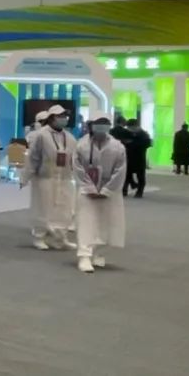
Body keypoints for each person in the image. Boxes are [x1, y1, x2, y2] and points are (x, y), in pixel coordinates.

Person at [73, 113, 127, 273]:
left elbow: (120, 170)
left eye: (105, 122)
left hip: (109, 191)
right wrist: (89, 188)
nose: (102, 126)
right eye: (99, 122)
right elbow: (77, 168)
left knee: (107, 222)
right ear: (91, 125)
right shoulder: (81, 145)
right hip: (87, 190)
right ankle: (84, 255)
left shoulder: (117, 147)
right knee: (86, 222)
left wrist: (106, 190)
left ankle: (99, 253)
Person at [23, 104, 77, 250]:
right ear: (51, 118)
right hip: (45, 177)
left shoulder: (70, 137)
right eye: (60, 116)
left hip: (64, 178)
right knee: (43, 207)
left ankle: (60, 238)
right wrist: (26, 176)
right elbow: (33, 157)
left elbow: (74, 159)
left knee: (63, 208)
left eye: (65, 116)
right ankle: (39, 236)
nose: (63, 119)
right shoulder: (41, 135)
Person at [119, 118, 152, 198]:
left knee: (140, 176)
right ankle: (124, 190)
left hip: (139, 158)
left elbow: (147, 143)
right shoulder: (126, 132)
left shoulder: (143, 134)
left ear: (137, 126)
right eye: (129, 127)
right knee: (126, 175)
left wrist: (131, 143)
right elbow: (121, 142)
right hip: (128, 157)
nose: (130, 129)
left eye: (132, 127)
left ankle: (139, 191)